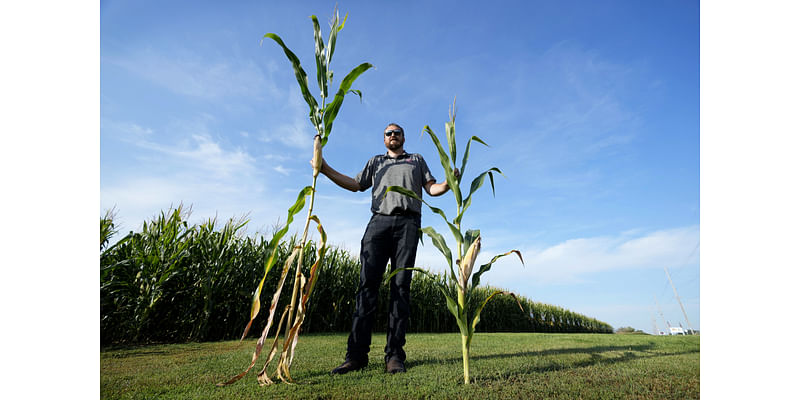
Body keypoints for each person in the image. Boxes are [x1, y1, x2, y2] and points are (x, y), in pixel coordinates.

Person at [315, 123, 456, 374]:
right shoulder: (376, 162)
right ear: (384, 139)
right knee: (367, 288)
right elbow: (356, 184)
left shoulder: (417, 160)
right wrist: (324, 169)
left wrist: (450, 182)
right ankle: (356, 356)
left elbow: (432, 189)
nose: (393, 136)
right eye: (388, 133)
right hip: (378, 223)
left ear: (404, 137)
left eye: (397, 133)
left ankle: (394, 356)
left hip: (408, 225)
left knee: (401, 288)